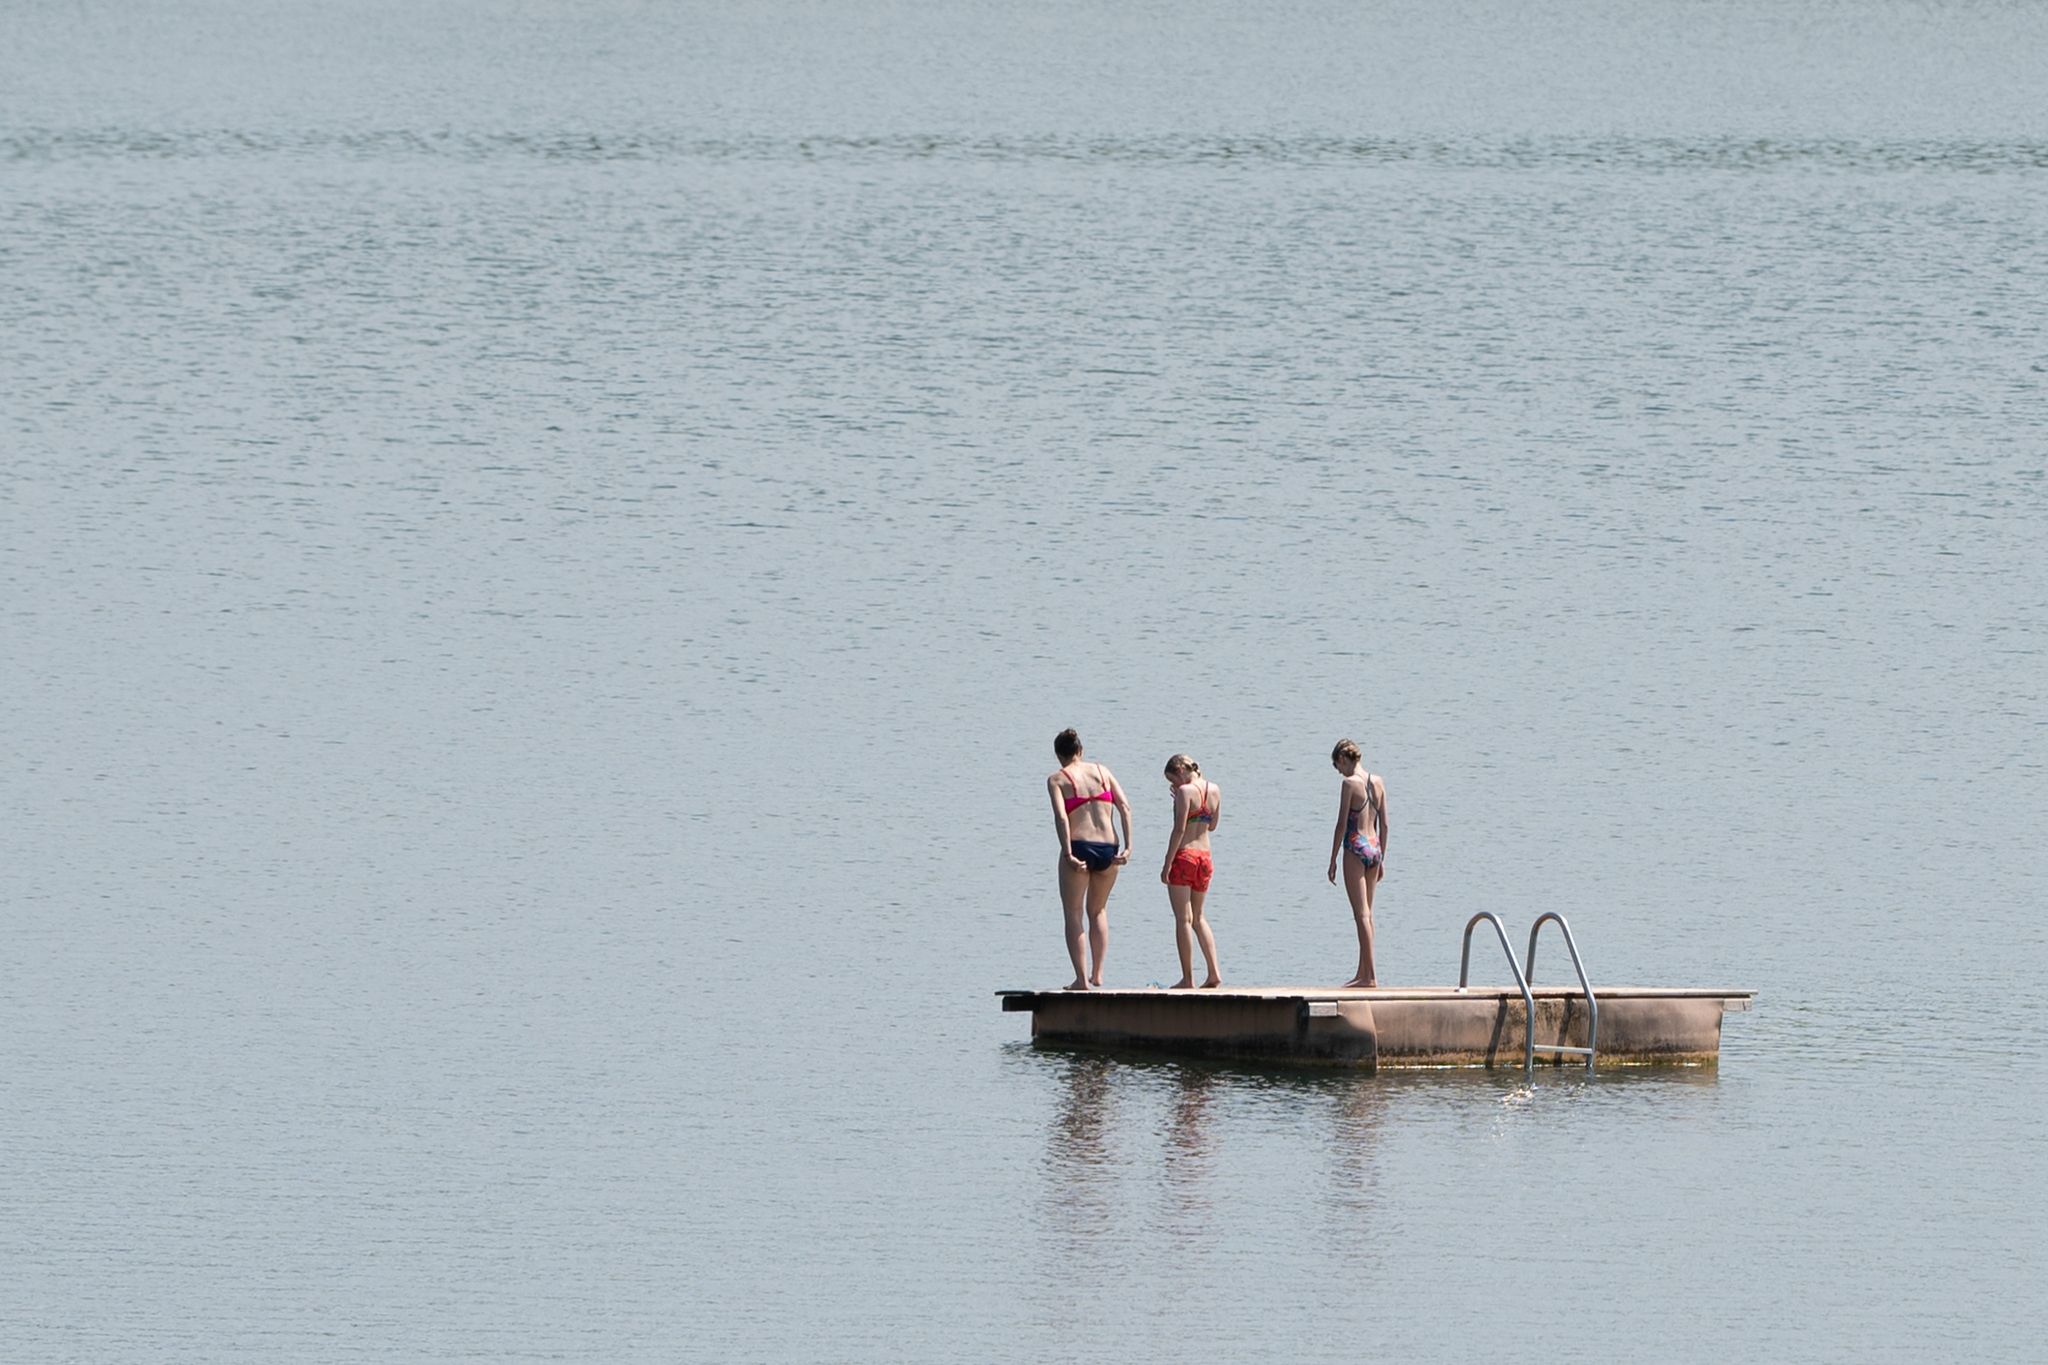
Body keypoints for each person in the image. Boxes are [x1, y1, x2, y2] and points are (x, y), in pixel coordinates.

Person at [1046, 728, 1133, 990]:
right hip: (1109, 847)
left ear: (1059, 755)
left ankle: (1082, 980)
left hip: (1080, 845)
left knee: (1073, 914)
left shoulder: (1057, 779)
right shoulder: (1102, 771)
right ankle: (1098, 974)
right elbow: (1125, 806)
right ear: (1080, 751)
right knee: (1098, 911)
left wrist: (1068, 852)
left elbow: (1062, 817)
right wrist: (1128, 846)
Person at [1327, 739, 1390, 988]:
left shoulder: (1349, 784)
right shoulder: (1378, 782)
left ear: (1343, 758)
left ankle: (1369, 977)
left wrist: (1332, 859)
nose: (1339, 772)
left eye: (1337, 766)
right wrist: (1382, 856)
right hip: (1374, 848)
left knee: (1360, 914)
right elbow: (1384, 824)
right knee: (1369, 914)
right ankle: (1362, 971)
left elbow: (1341, 824)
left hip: (1355, 846)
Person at [1159, 753, 1223, 989]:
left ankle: (1188, 978)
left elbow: (1179, 830)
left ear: (1181, 770)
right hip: (1205, 857)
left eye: (1173, 780)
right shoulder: (1214, 789)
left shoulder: (1185, 793)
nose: (1174, 786)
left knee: (1182, 919)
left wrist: (1167, 864)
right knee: (1199, 917)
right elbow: (1213, 825)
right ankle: (1214, 972)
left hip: (1185, 856)